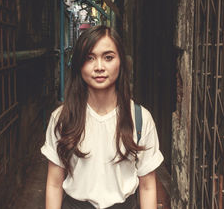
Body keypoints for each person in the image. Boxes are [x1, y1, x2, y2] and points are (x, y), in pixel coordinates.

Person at [41, 25, 164, 209]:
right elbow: (54, 183)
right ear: (79, 65)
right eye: (89, 58)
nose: (99, 67)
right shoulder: (62, 118)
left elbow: (147, 187)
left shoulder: (140, 118)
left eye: (108, 57)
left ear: (121, 62)